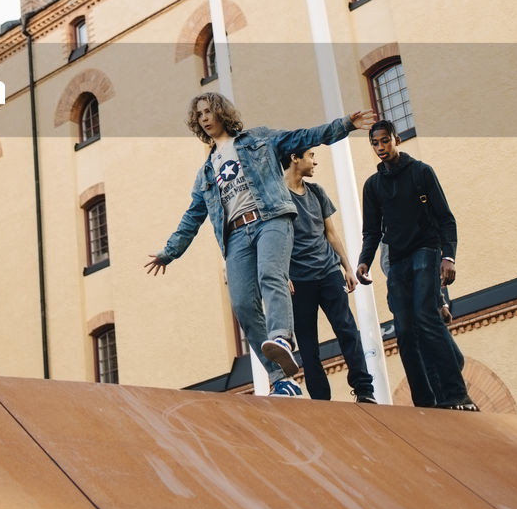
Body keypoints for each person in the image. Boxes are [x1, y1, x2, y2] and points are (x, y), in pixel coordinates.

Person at [145, 93, 375, 397]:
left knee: (271, 275)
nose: (203, 117)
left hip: (270, 220)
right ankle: (281, 379)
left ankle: (281, 338)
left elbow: (302, 137)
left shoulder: (258, 139)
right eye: (198, 114)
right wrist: (169, 252)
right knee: (241, 303)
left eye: (208, 111)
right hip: (236, 235)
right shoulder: (206, 173)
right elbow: (193, 217)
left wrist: (345, 125)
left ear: (221, 113)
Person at [356, 121, 478, 410]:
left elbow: (446, 218)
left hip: (426, 250)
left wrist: (449, 257)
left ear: (396, 139)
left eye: (385, 141)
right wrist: (364, 261)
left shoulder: (422, 172)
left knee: (426, 315)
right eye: (375, 143)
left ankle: (457, 395)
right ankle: (425, 403)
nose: (381, 148)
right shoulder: (373, 186)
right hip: (397, 261)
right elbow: (372, 230)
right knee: (405, 330)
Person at [280, 147, 376, 403]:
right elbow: (273, 240)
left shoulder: (317, 192)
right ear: (294, 158)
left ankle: (365, 389)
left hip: (328, 272)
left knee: (347, 330)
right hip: (298, 281)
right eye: (311, 155)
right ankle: (321, 401)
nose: (315, 161)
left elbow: (330, 233)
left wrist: (346, 267)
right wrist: (280, 273)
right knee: (309, 345)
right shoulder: (277, 195)